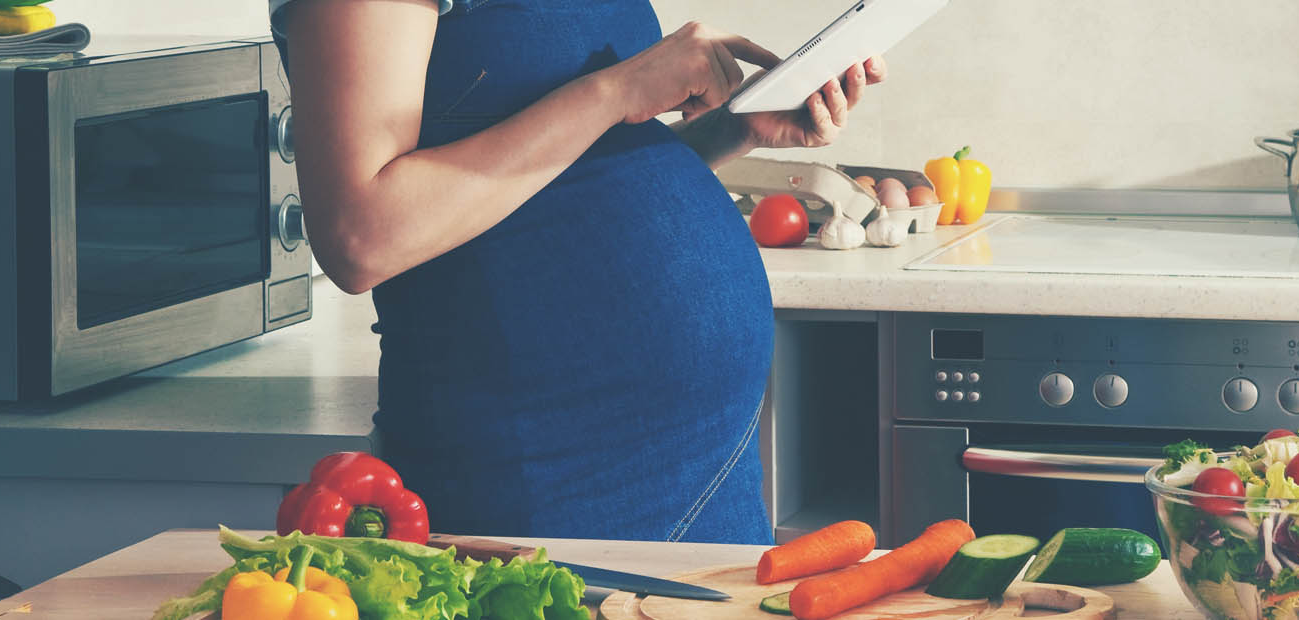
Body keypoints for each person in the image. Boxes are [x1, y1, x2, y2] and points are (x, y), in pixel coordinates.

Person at [269, 0, 885, 544]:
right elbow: (361, 235)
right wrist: (617, 89)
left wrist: (734, 128)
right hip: (546, 469)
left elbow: (575, 176)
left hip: (706, 466)